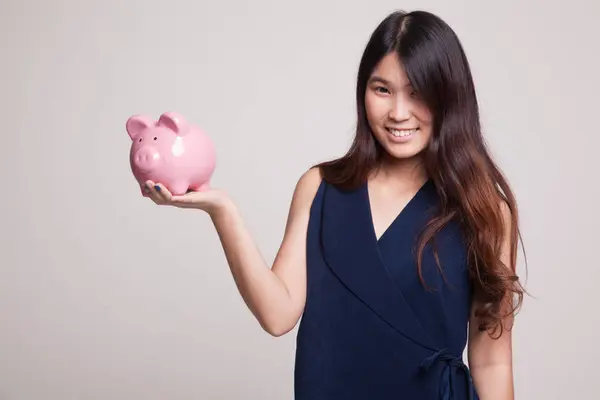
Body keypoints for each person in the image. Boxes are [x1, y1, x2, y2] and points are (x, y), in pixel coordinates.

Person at [142, 9, 525, 400]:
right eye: (382, 89)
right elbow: (277, 314)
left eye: (418, 92)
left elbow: (492, 358)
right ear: (363, 91)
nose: (398, 112)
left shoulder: (484, 210)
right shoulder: (321, 187)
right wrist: (222, 210)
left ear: (448, 97)